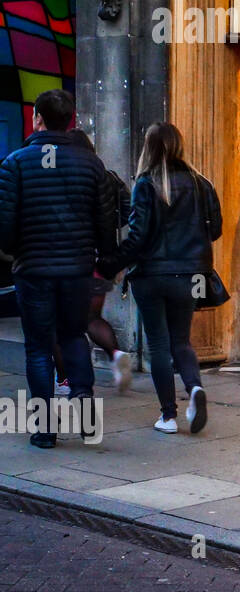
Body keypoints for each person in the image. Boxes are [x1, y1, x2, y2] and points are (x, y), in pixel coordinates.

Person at [0, 90, 118, 448]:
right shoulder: (90, 164)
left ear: (37, 118)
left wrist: (15, 250)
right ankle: (84, 413)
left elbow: (5, 226)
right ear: (70, 120)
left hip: (33, 268)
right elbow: (105, 220)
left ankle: (45, 430)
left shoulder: (16, 162)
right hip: (77, 268)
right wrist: (104, 258)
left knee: (38, 348)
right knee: (73, 335)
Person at [100, 123, 222, 435]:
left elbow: (138, 238)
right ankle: (195, 389)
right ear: (180, 146)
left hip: (152, 276)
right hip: (190, 274)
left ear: (149, 148)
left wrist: (110, 263)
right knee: (181, 340)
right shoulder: (202, 183)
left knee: (159, 344)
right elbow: (216, 229)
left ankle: (168, 416)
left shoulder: (146, 183)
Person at [54, 130, 133, 394]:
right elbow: (129, 208)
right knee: (91, 318)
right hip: (99, 261)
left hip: (66, 259)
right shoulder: (106, 175)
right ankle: (116, 353)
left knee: (59, 324)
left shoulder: (61, 175)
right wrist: (108, 228)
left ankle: (65, 380)